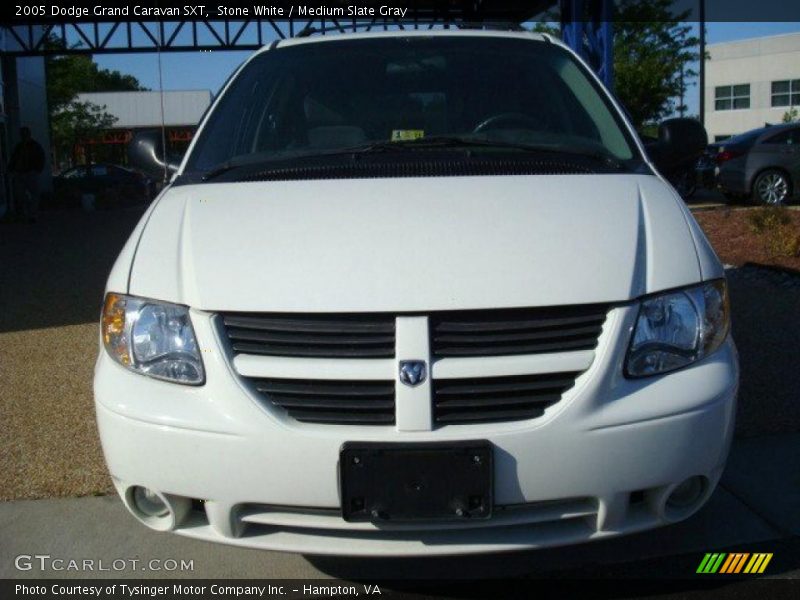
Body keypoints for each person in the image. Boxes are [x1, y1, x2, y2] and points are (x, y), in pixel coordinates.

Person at [8, 127, 45, 223]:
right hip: (20, 173)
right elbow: (14, 159)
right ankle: (26, 212)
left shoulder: (35, 146)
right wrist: (11, 170)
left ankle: (32, 214)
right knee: (20, 195)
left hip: (31, 172)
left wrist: (37, 170)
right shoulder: (19, 147)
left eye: (25, 134)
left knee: (35, 194)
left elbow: (41, 158)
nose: (24, 136)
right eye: (22, 134)